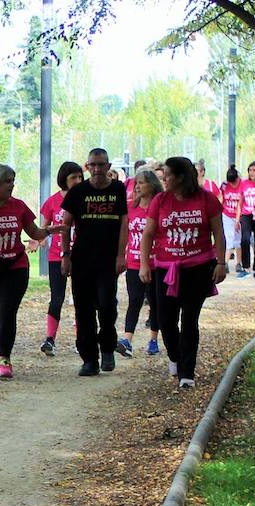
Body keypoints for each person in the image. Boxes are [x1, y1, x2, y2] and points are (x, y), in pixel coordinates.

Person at [139, 156, 227, 390]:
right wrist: (144, 264)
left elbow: (218, 232)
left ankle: (187, 372)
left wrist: (221, 262)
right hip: (165, 268)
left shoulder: (206, 199)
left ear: (180, 177)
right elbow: (148, 234)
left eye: (167, 174)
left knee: (190, 319)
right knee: (166, 321)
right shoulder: (160, 200)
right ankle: (176, 356)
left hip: (198, 267)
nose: (163, 178)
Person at [60, 148, 128, 377]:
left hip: (108, 260)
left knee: (107, 305)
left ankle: (107, 347)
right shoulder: (78, 192)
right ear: (87, 167)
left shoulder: (118, 189)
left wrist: (121, 255)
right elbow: (65, 225)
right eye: (93, 165)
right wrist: (65, 255)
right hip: (82, 259)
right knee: (84, 309)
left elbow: (124, 224)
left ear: (109, 167)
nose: (97, 169)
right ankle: (89, 358)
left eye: (101, 165)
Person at [0, 164, 45, 379]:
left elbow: (33, 231)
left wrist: (49, 231)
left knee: (7, 311)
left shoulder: (19, 207)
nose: (11, 185)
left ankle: (5, 359)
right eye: (8, 181)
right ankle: (2, 353)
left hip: (15, 266)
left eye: (13, 181)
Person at [36, 161, 83, 355]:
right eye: (74, 177)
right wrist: (38, 240)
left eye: (80, 177)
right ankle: (50, 338)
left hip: (81, 255)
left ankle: (83, 338)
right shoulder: (53, 201)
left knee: (82, 298)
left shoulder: (85, 199)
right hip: (57, 257)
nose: (78, 181)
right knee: (57, 298)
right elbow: (43, 227)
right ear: (64, 179)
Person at [120, 168, 164, 358]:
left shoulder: (161, 207)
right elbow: (124, 234)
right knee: (134, 301)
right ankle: (127, 340)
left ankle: (153, 340)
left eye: (142, 183)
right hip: (134, 262)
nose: (137, 186)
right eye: (136, 183)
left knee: (155, 303)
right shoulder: (130, 207)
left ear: (152, 185)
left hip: (156, 263)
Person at [219, 165, 244, 271]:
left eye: (234, 182)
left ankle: (238, 263)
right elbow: (221, 197)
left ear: (238, 178)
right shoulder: (225, 185)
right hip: (227, 214)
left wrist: (237, 221)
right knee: (229, 238)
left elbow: (240, 204)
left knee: (238, 240)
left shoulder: (243, 185)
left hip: (239, 215)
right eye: (231, 183)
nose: (232, 185)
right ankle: (225, 263)